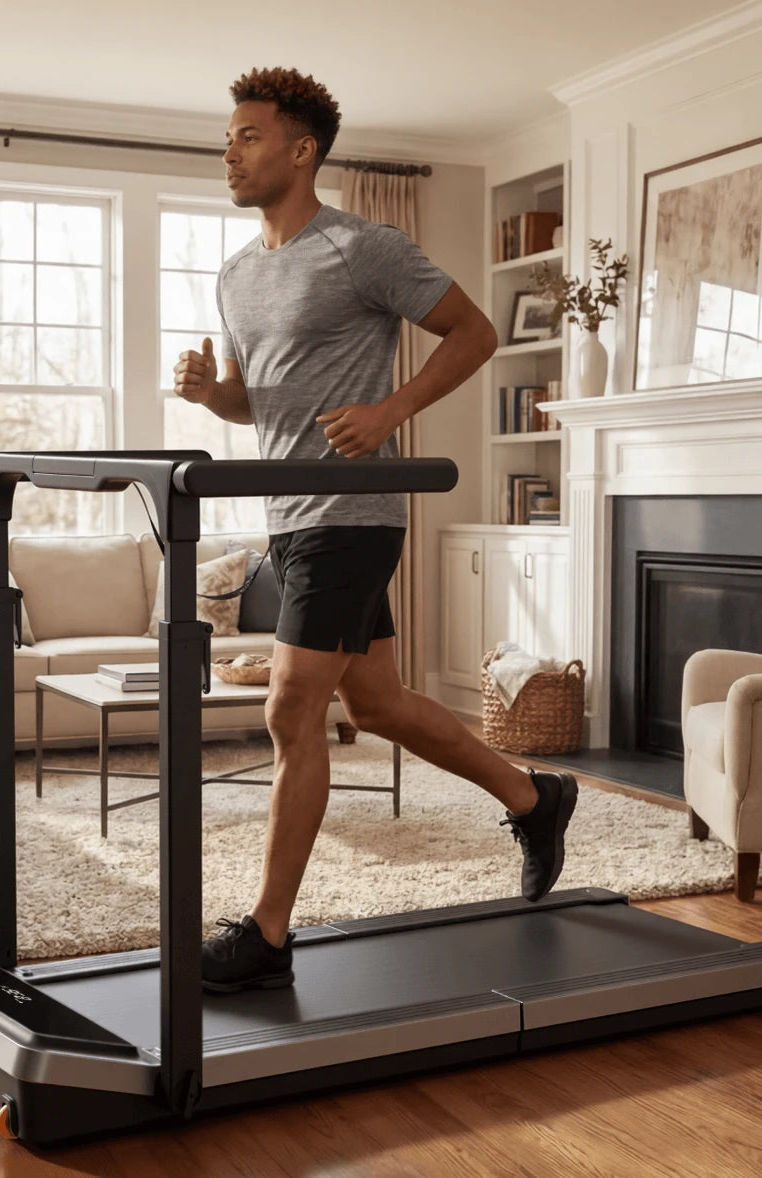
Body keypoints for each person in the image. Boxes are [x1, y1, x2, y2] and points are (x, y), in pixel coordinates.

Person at [173, 67, 578, 994]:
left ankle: (268, 939)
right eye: (229, 136)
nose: (229, 150)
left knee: (289, 709)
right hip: (287, 516)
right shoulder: (234, 272)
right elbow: (254, 403)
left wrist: (391, 409)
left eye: (248, 135)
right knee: (380, 705)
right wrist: (212, 393)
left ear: (302, 148)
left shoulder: (363, 247)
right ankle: (534, 796)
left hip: (351, 515)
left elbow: (475, 332)